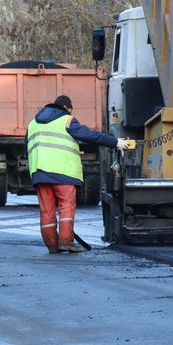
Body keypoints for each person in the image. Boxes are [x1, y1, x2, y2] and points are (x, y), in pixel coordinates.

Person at [27, 95, 125, 253]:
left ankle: (52, 246)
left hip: (40, 174)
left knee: (46, 211)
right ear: (66, 108)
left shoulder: (33, 124)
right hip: (63, 172)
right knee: (66, 207)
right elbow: (90, 135)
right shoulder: (66, 120)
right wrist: (115, 142)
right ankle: (66, 241)